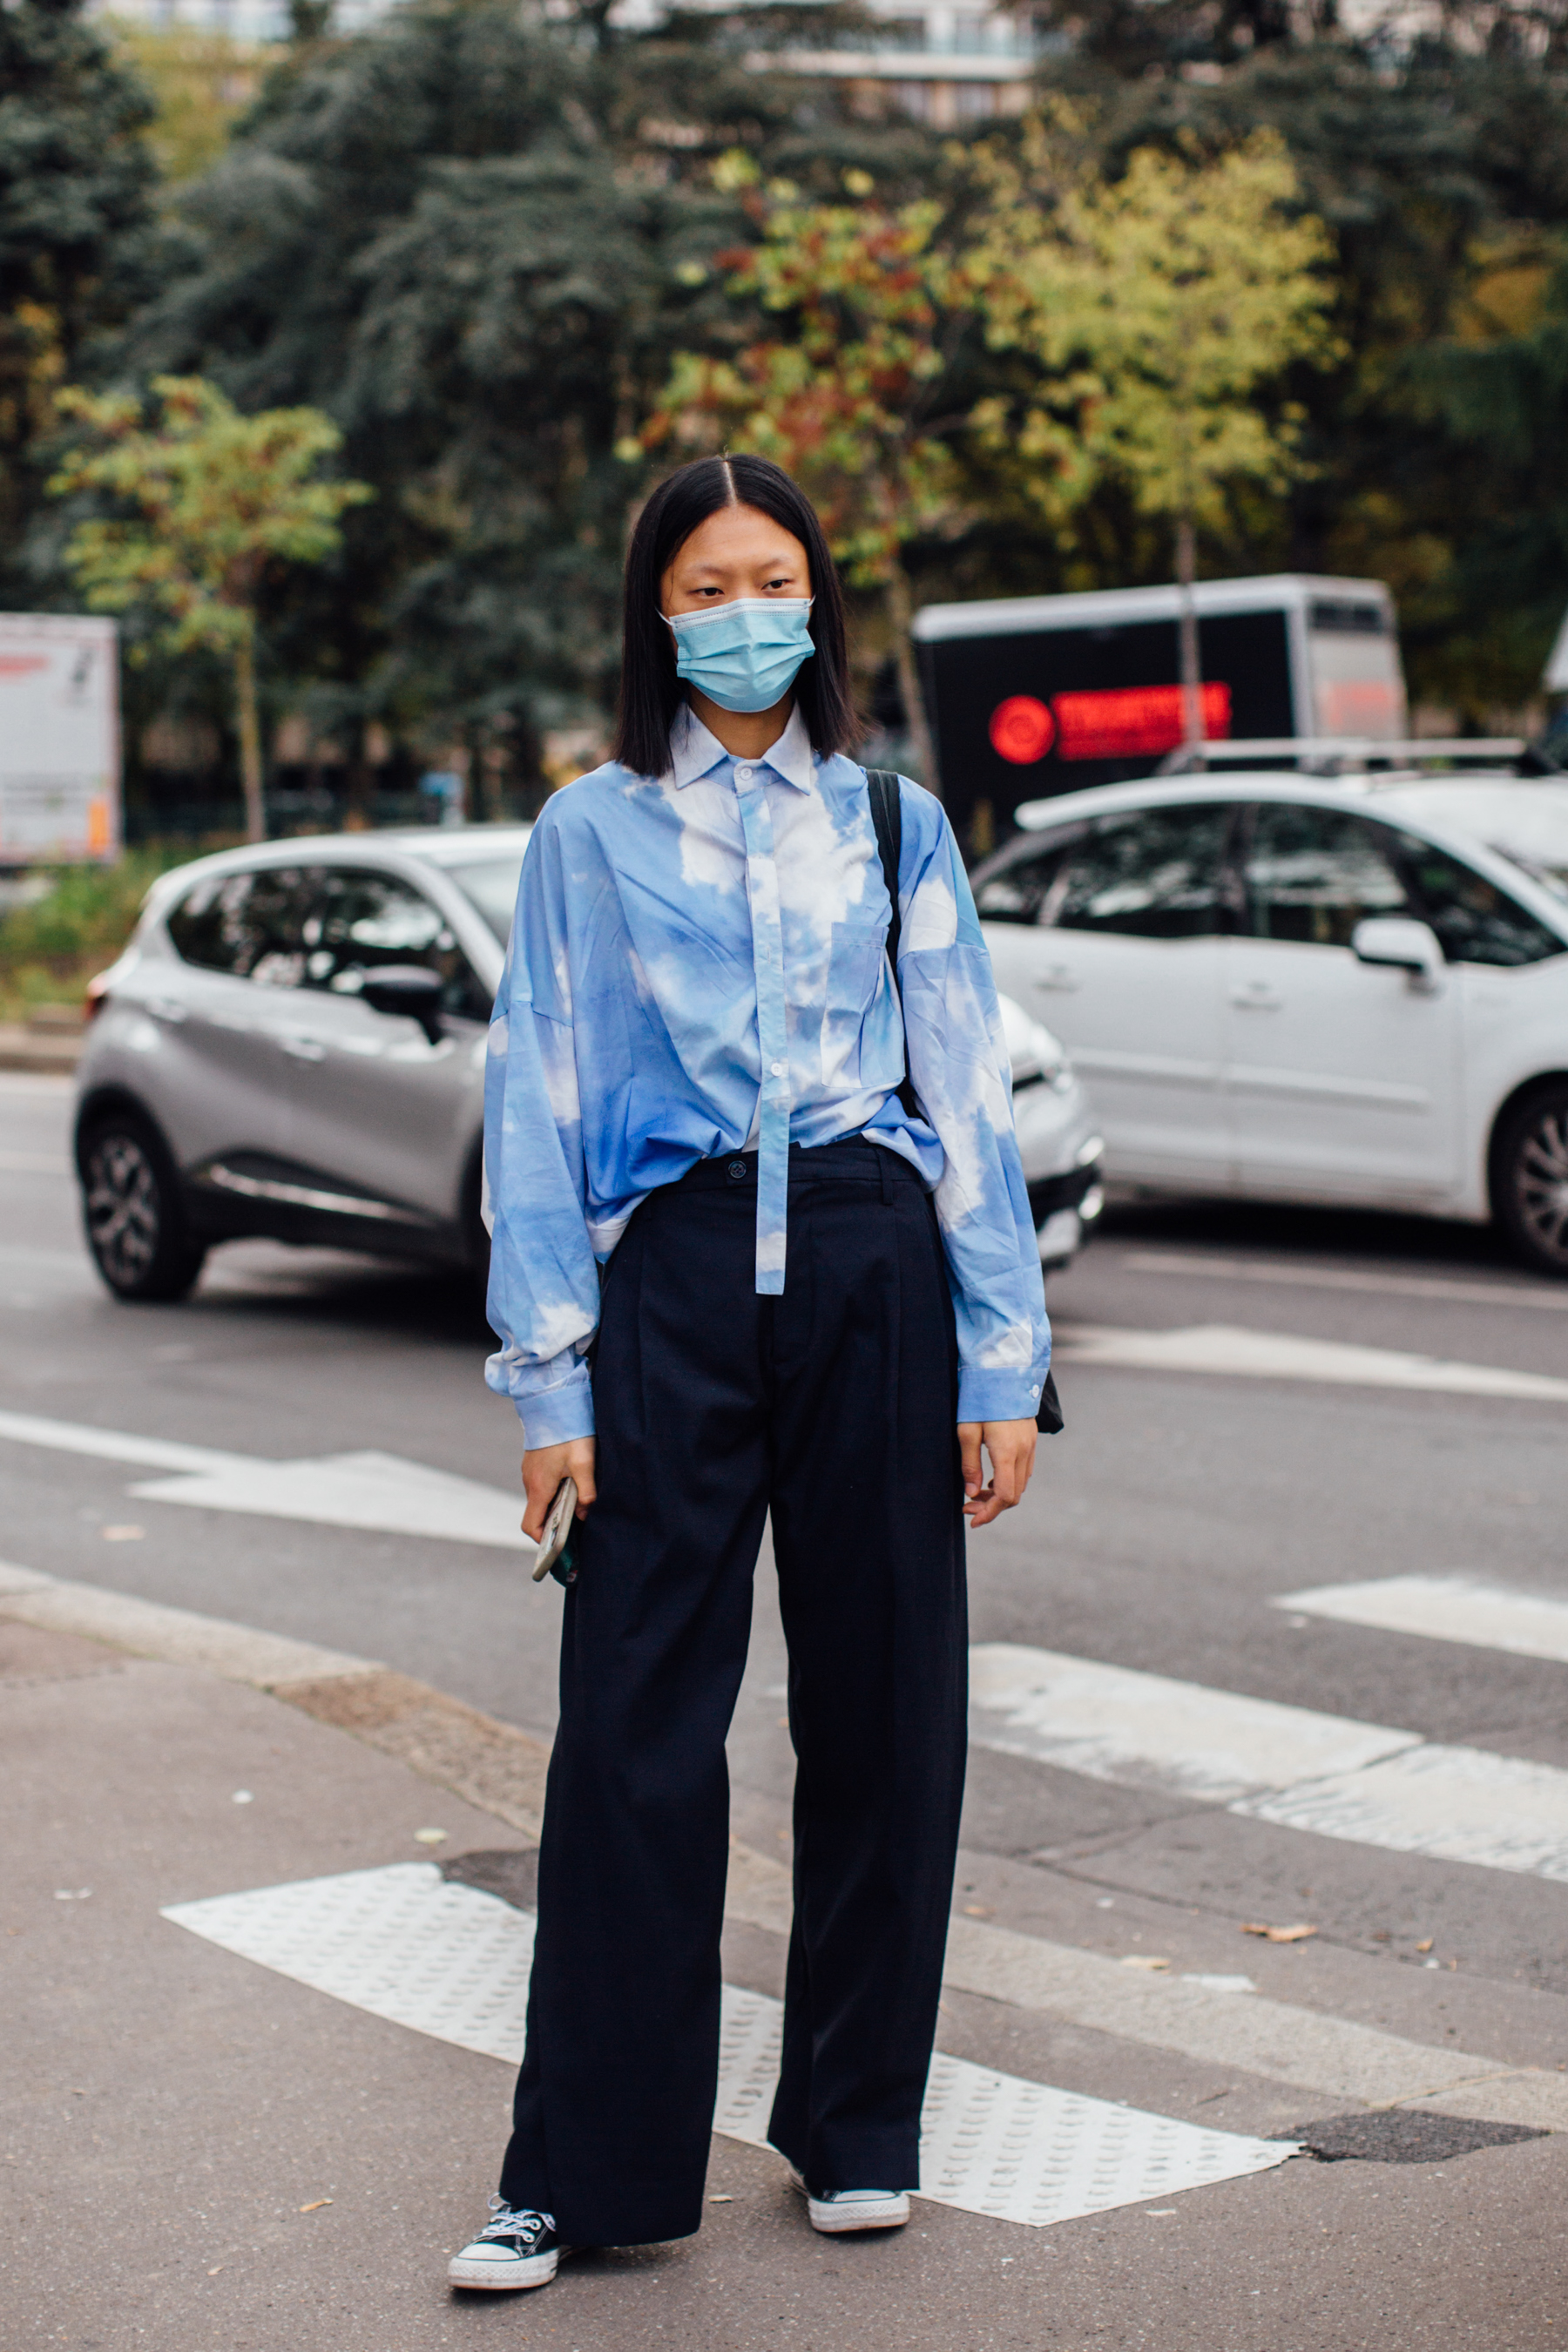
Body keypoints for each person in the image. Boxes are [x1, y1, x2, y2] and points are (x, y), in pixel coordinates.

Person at [449, 453, 1051, 2295]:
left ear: (822, 599)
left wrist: (1002, 1355)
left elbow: (965, 1092)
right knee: (635, 1729)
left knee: (884, 1714)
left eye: (769, 575)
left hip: (873, 1267)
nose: (740, 611)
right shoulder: (587, 832)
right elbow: (537, 1098)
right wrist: (551, 1385)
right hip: (678, 1278)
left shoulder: (893, 824)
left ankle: (861, 2126)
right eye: (704, 584)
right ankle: (582, 2172)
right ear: (658, 611)